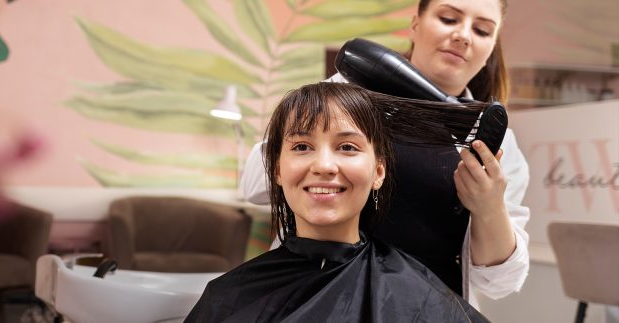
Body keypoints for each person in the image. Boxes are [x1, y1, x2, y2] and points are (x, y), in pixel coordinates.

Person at [240, 0, 530, 307]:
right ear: (416, 24)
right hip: (317, 297)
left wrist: (488, 207)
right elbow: (255, 186)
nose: (463, 36)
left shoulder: (497, 144)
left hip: (426, 307)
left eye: (482, 30)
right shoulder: (345, 94)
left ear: (491, 48)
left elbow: (500, 281)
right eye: (448, 18)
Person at [186, 82, 489, 322]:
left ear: (378, 172)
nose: (324, 166)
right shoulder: (227, 297)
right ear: (277, 169)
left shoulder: (419, 298)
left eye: (347, 147)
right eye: (302, 146)